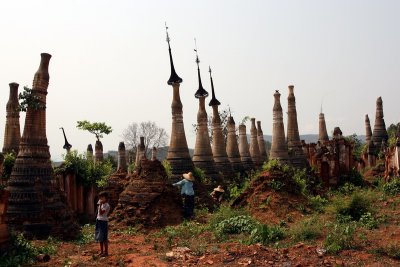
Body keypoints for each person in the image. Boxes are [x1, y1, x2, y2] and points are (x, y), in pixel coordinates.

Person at [95, 191, 110, 257]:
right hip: (98, 220)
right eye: (100, 197)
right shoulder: (100, 203)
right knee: (99, 237)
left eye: (102, 197)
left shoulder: (107, 205)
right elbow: (98, 212)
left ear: (106, 198)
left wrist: (100, 205)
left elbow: (101, 213)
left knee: (104, 238)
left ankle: (106, 252)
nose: (100, 199)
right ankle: (101, 252)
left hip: (103, 222)